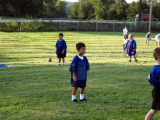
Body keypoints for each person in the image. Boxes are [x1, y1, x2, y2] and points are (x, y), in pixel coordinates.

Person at [145, 47, 160, 120]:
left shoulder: (154, 67)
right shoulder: (159, 69)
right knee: (153, 110)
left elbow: (150, 79)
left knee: (153, 110)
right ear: (159, 57)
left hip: (156, 91)